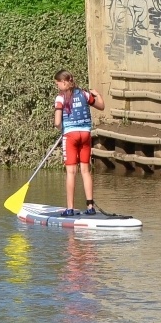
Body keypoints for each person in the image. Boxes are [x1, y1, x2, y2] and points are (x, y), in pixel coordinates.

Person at [53, 70, 105, 216]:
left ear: (63, 82)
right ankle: (90, 207)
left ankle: (69, 208)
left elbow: (57, 122)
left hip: (71, 136)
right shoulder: (85, 94)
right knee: (85, 171)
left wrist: (61, 127)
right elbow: (101, 106)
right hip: (86, 135)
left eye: (57, 83)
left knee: (71, 172)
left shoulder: (60, 98)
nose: (57, 86)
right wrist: (98, 95)